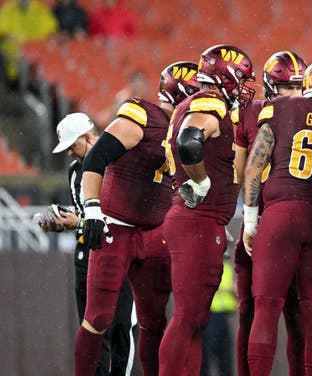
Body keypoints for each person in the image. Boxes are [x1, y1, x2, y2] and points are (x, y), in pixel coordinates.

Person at [74, 61, 200, 376]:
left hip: (155, 234)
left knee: (153, 321)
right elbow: (96, 155)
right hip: (117, 226)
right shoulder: (143, 116)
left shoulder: (191, 130)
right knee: (99, 317)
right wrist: (91, 207)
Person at [242, 59, 312, 376]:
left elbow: (253, 168)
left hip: (278, 214)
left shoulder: (280, 108)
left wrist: (251, 222)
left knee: (266, 308)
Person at [158, 44, 255, 376]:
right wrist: (200, 182)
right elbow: (189, 141)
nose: (242, 85)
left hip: (198, 220)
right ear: (224, 75)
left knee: (196, 318)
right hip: (196, 219)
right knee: (187, 317)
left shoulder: (190, 103)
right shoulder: (209, 102)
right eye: (239, 77)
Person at [36, 112, 135, 376]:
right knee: (91, 327)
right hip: (86, 252)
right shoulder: (74, 171)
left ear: (87, 137)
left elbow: (119, 217)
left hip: (117, 250)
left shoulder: (116, 164)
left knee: (122, 326)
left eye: (72, 145)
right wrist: (61, 219)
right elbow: (83, 210)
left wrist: (76, 222)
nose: (69, 153)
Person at [232, 50, 307, 376]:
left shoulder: (251, 114)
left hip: (264, 222)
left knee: (259, 312)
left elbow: (240, 172)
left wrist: (253, 217)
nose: (293, 96)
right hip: (302, 219)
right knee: (296, 314)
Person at [0, 0, 58, 84]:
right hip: (17, 50)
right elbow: (2, 33)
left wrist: (51, 38)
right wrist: (10, 38)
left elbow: (52, 31)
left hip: (38, 49)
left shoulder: (39, 9)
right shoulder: (8, 9)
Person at [201, 257, 236, 376]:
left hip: (224, 316)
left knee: (225, 357)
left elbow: (235, 288)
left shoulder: (228, 268)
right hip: (210, 316)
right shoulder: (205, 266)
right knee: (206, 356)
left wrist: (231, 289)